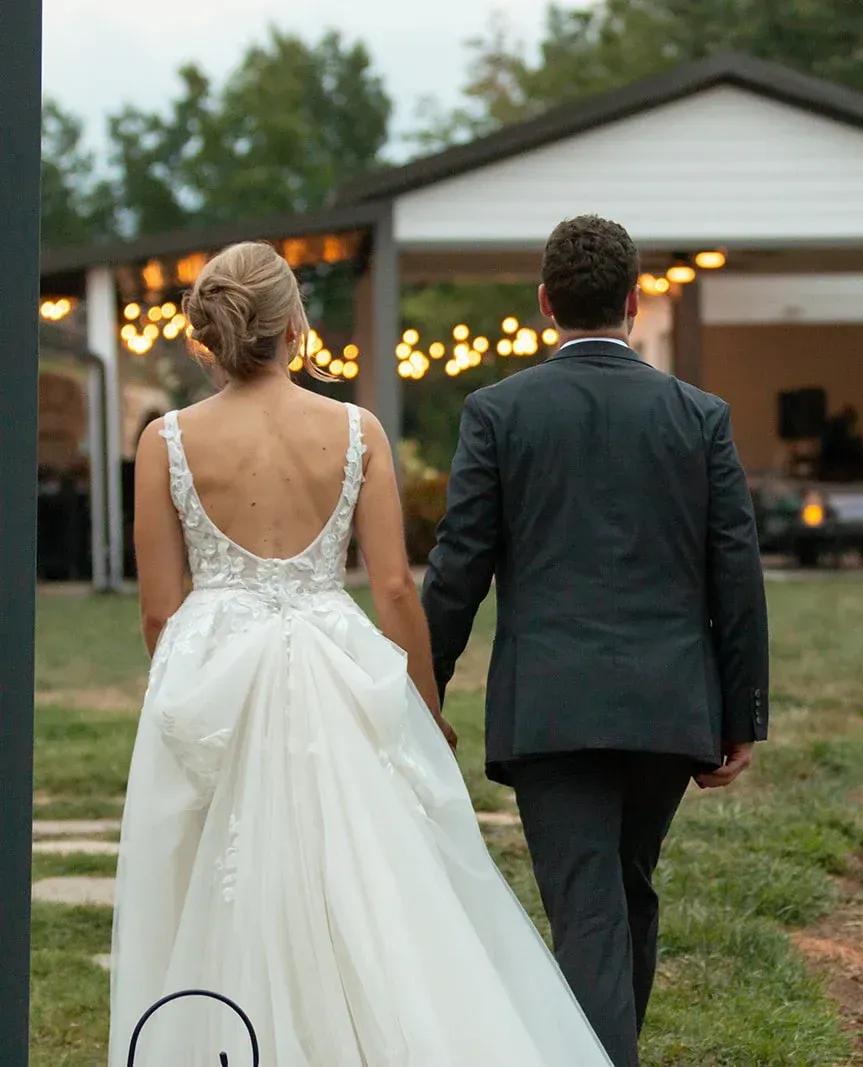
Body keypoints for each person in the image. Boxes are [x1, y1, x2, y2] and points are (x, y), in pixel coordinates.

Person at [114, 242, 614, 1067]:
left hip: (213, 679)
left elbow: (159, 609)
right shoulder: (355, 429)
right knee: (368, 878)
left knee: (218, 884)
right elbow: (392, 589)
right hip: (335, 669)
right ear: (294, 327)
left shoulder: (165, 441)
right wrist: (422, 707)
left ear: (213, 334)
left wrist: (188, 703)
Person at [423, 215, 770, 1067]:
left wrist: (420, 690)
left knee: (591, 908)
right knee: (622, 895)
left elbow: (458, 565)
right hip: (668, 702)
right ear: (634, 298)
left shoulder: (498, 413)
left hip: (551, 707)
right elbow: (737, 571)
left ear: (545, 303)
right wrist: (742, 712)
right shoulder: (699, 415)